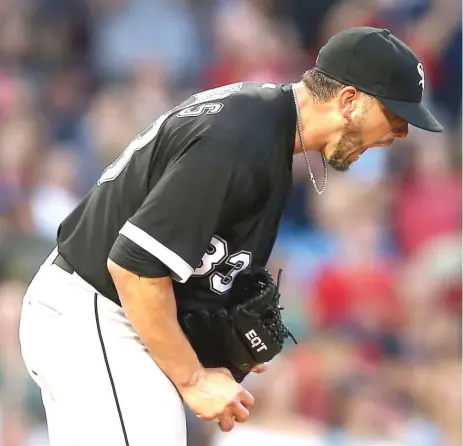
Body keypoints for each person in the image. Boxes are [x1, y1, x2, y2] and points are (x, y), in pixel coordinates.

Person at [18, 26, 443, 446]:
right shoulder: (243, 137)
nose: (400, 134)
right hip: (97, 311)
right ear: (350, 101)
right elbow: (133, 266)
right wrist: (194, 378)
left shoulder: (266, 127)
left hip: (101, 317)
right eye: (394, 114)